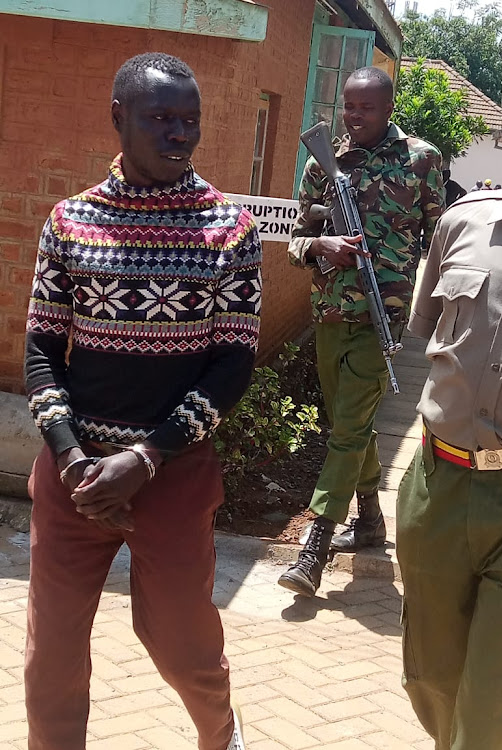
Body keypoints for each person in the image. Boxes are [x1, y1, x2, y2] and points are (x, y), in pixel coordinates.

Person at [24, 52, 261, 750]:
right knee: (51, 658)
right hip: (74, 479)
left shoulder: (228, 228)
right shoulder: (70, 221)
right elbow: (41, 350)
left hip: (173, 475)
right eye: (161, 118)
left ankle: (220, 734)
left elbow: (232, 362)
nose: (179, 134)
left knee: (182, 646)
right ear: (119, 118)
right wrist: (71, 460)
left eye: (188, 120)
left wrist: (146, 458)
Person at [397, 71, 502, 750]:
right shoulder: (462, 222)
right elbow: (428, 330)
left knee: (500, 693)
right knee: (430, 674)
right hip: (439, 483)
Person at [277, 66, 445, 597]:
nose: (353, 116)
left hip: (383, 316)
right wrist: (321, 246)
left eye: (365, 108)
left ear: (388, 108)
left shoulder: (421, 160)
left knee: (347, 429)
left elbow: (442, 239)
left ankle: (315, 547)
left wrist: (438, 309)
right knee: (350, 420)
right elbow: (296, 240)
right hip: (329, 310)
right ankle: (370, 518)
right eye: (348, 106)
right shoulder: (323, 162)